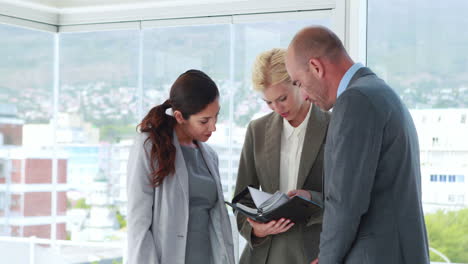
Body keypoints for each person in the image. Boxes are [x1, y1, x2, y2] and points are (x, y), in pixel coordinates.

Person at [285, 26, 430, 264]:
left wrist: (327, 260)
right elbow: (374, 192)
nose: (304, 96)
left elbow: (346, 204)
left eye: (299, 83)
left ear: (316, 67)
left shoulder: (355, 102)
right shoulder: (379, 92)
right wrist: (313, 197)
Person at [126, 69, 235, 264]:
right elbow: (138, 223)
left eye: (215, 117)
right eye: (204, 121)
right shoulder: (149, 147)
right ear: (179, 116)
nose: (213, 127)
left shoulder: (210, 155)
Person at [234, 48, 330, 264]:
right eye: (268, 102)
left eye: (282, 98)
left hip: (316, 253)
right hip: (265, 254)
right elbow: (241, 198)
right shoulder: (257, 130)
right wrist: (256, 229)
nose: (277, 108)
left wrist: (311, 197)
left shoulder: (333, 126)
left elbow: (349, 199)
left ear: (299, 83)